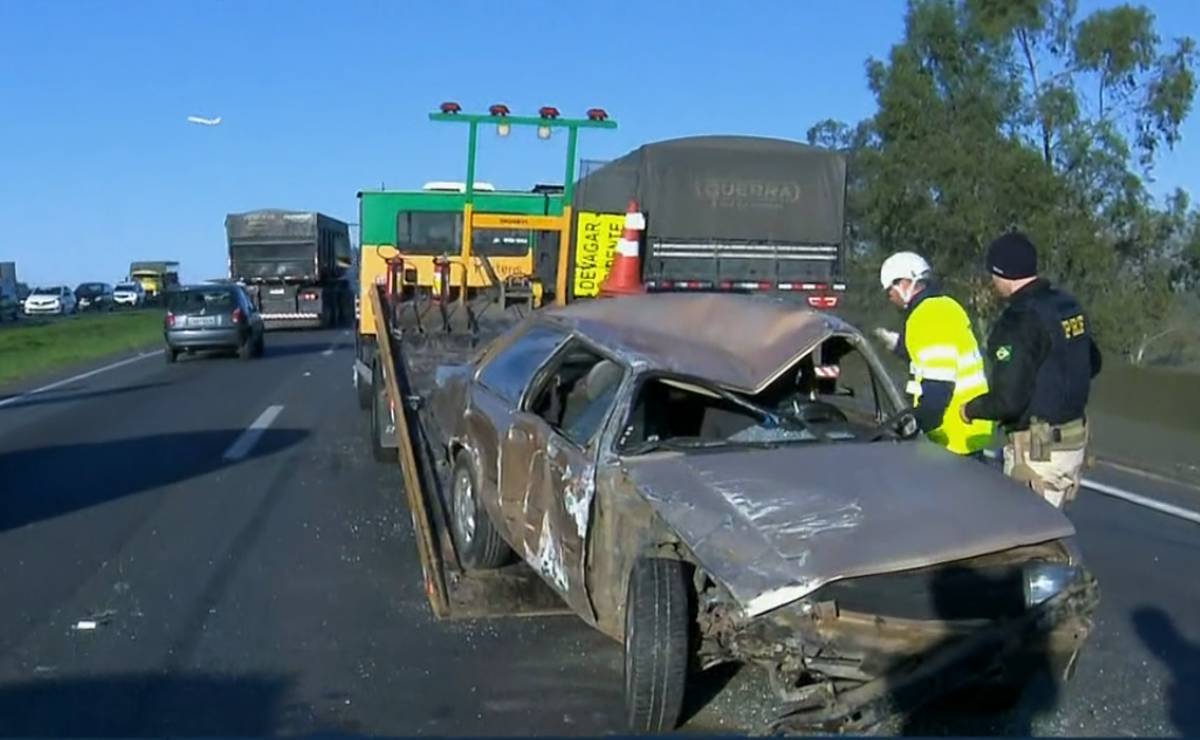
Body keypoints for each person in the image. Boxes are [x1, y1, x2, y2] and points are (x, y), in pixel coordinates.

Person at [960, 232, 1103, 508]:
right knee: (1052, 528)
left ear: (1005, 273)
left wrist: (970, 409)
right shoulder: (1067, 305)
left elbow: (1008, 400)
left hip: (1038, 452)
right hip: (1072, 443)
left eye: (994, 274)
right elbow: (1093, 363)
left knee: (1026, 539)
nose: (992, 281)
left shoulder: (1019, 319)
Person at [873, 251, 995, 457]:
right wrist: (891, 342)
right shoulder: (944, 307)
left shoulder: (928, 316)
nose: (890, 297)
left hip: (953, 436)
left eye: (890, 290)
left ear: (904, 283)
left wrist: (916, 425)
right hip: (968, 430)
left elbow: (938, 387)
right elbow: (929, 354)